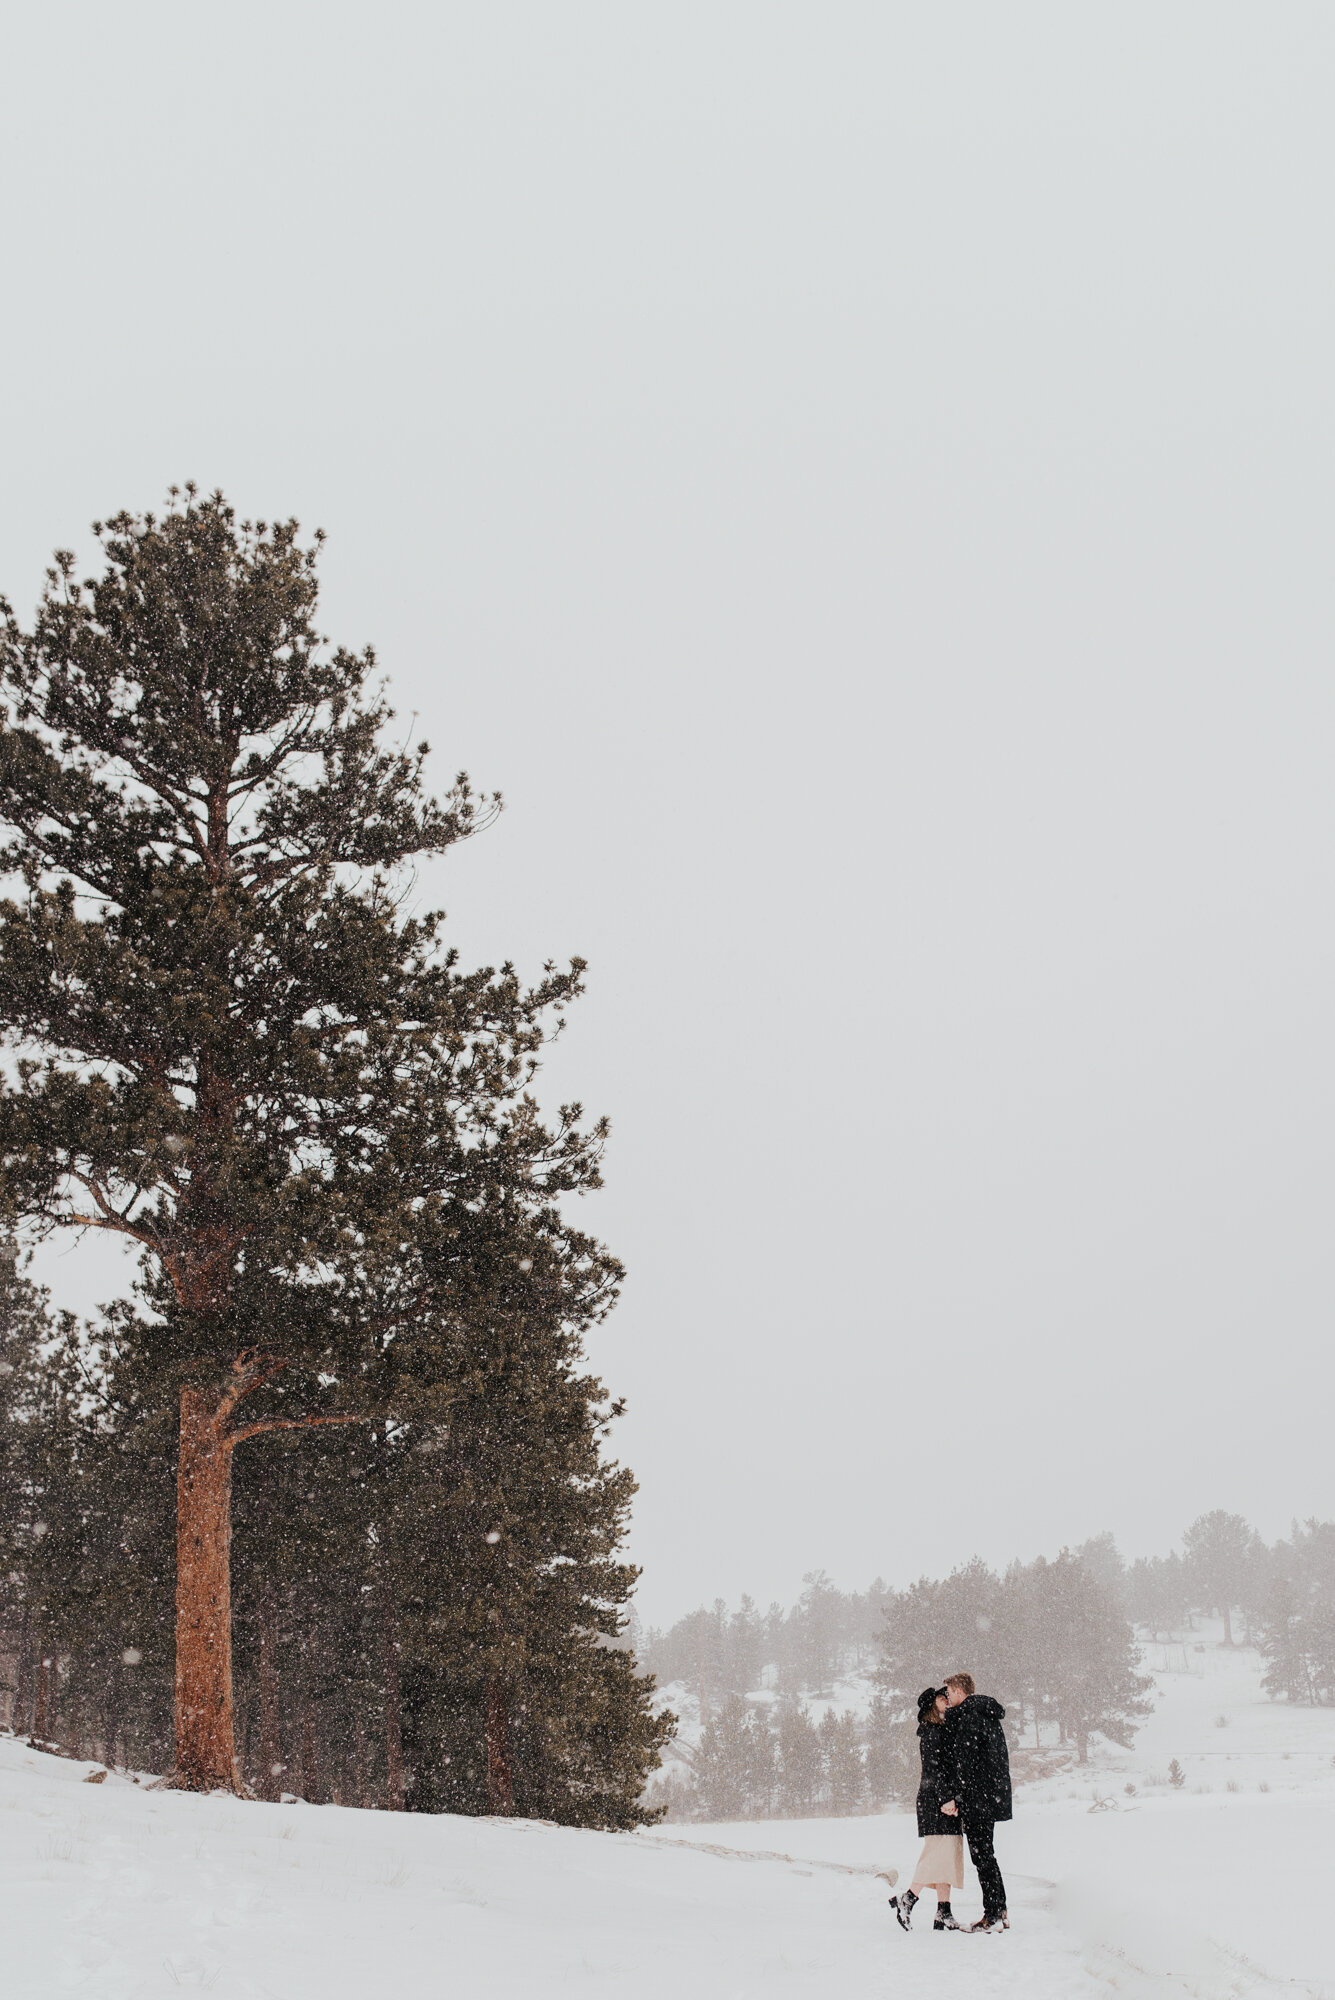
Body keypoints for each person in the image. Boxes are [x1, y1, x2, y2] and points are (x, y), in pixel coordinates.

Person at [940, 1671, 1011, 1933]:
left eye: (948, 1691)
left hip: (978, 1799)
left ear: (959, 1691)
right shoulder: (986, 1713)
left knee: (982, 1856)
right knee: (986, 1854)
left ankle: (992, 1915)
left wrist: (959, 1796)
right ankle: (999, 1909)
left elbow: (966, 1764)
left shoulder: (969, 1717)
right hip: (989, 1796)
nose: (947, 1696)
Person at [888, 1687, 964, 1932]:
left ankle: (944, 1912)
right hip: (936, 1801)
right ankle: (907, 1898)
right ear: (932, 1706)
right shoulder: (932, 1733)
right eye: (942, 1698)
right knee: (936, 1853)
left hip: (943, 1800)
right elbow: (935, 1770)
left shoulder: (943, 1729)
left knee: (947, 1855)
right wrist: (945, 1800)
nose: (946, 1700)